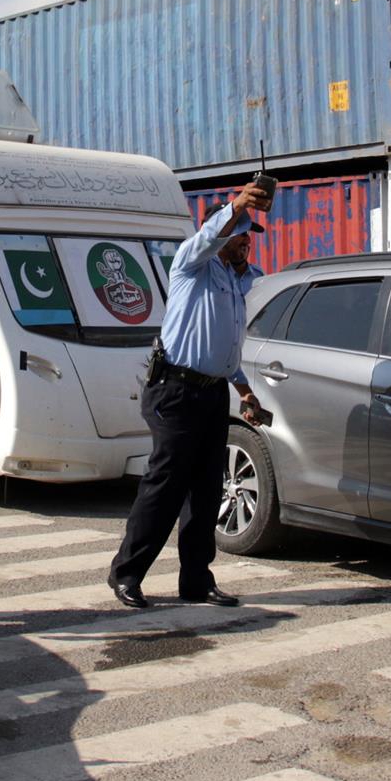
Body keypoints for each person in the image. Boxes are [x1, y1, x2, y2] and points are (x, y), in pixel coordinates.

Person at [107, 181, 271, 611]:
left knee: (206, 491)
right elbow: (209, 239)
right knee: (165, 485)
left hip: (212, 393)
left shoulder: (242, 281)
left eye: (249, 235)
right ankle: (127, 574)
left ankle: (196, 581)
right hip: (174, 391)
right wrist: (235, 205)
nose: (245, 242)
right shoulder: (190, 264)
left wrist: (245, 390)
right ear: (220, 234)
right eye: (239, 233)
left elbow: (222, 347)